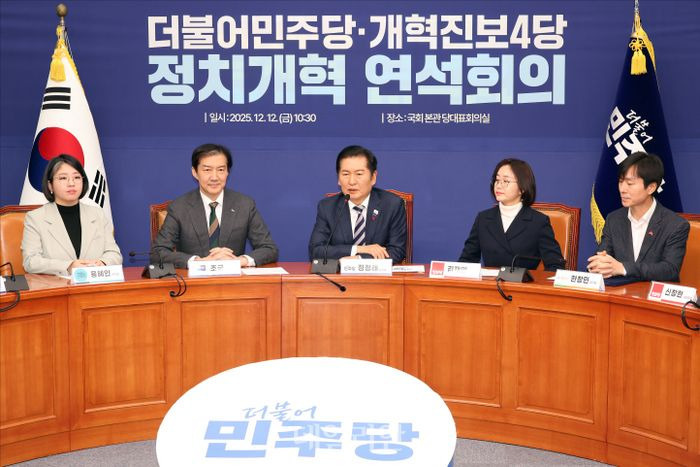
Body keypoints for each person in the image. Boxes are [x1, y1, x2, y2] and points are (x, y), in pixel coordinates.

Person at [151, 143, 278, 268]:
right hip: (193, 279)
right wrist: (198, 262)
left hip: (233, 278)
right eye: (207, 170)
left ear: (228, 172)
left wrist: (240, 261)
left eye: (221, 170)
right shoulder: (179, 207)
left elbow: (269, 248)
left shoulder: (244, 204)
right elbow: (158, 252)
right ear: (195, 172)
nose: (214, 177)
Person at [587, 152, 689, 281]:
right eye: (621, 182)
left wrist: (623, 268)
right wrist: (599, 263)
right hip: (620, 291)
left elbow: (670, 270)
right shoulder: (614, 219)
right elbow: (602, 255)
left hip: (653, 292)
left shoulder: (675, 225)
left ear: (651, 188)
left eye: (630, 184)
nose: (622, 189)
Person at [21, 154, 122, 276]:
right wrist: (68, 266)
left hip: (94, 284)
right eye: (63, 178)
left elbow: (114, 254)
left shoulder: (97, 214)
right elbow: (30, 262)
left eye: (77, 177)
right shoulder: (35, 218)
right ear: (50, 185)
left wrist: (102, 263)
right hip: (56, 285)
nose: (71, 183)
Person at [458, 158, 565, 271]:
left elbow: (556, 266)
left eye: (506, 181)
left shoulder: (538, 222)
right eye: (497, 180)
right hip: (490, 282)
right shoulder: (483, 219)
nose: (498, 186)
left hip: (523, 282)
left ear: (522, 188)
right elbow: (466, 261)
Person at [308, 145, 407, 263]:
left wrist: (359, 259)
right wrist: (357, 249)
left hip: (377, 274)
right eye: (345, 174)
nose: (352, 181)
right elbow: (316, 251)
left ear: (373, 177)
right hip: (339, 274)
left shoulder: (392, 205)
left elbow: (397, 251)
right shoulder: (327, 207)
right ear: (338, 179)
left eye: (359, 174)